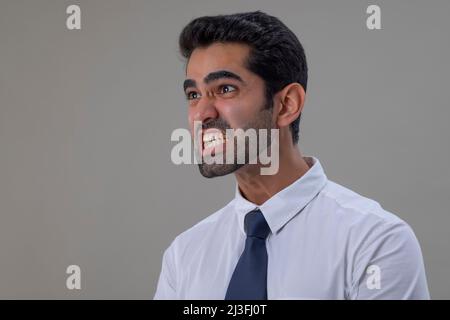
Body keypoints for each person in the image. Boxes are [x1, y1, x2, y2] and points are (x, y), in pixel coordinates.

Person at [154, 11, 430, 299]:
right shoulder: (184, 255)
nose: (201, 114)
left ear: (287, 104)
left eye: (225, 89)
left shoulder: (376, 242)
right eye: (193, 95)